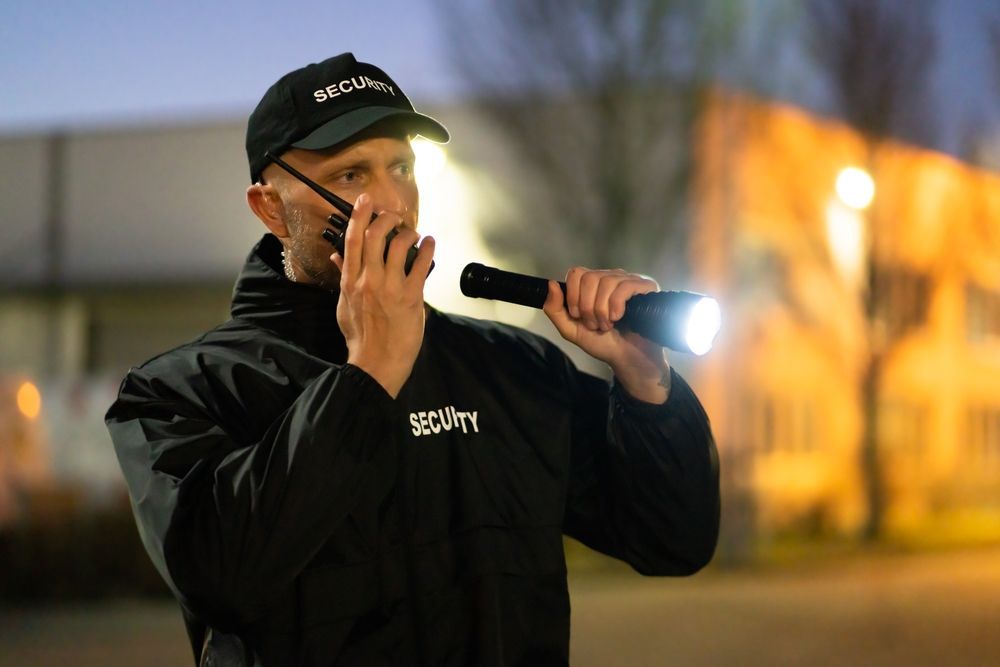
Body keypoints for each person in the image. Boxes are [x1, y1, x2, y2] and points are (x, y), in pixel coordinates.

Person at [106, 52, 720, 666]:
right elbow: (221, 577)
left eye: (400, 166)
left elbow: (674, 541)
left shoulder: (511, 368)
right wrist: (368, 376)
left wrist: (645, 382)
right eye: (350, 176)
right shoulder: (182, 391)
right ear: (270, 208)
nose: (390, 202)